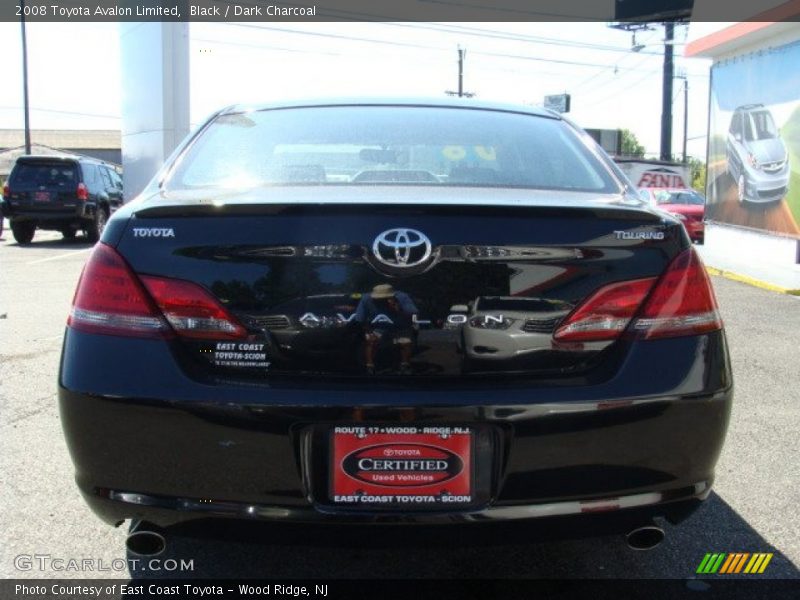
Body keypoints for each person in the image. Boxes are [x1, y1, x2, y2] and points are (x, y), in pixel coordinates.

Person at [354, 284, 419, 374]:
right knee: (370, 341)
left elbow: (413, 312)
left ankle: (405, 365)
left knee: (405, 342)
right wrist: (368, 332)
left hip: (400, 326)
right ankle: (369, 366)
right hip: (378, 326)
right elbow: (360, 318)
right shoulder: (366, 299)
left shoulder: (402, 297)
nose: (381, 301)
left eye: (384, 298)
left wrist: (397, 308)